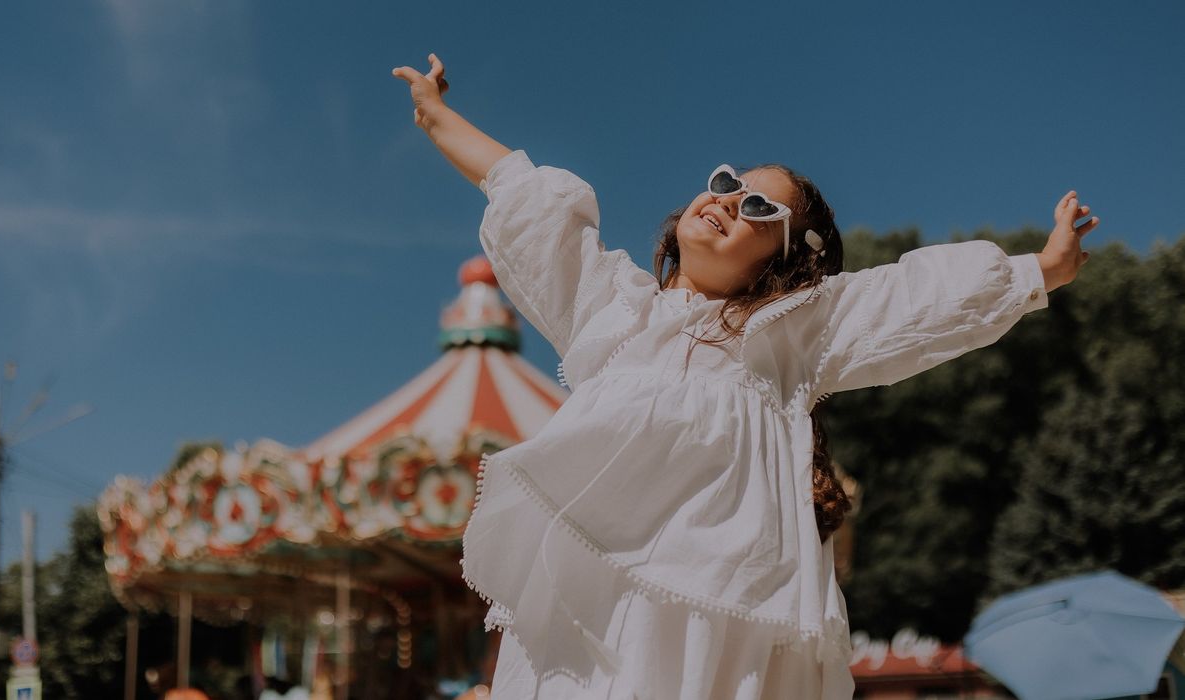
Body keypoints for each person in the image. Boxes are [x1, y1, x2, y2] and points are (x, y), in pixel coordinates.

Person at [392, 54, 1097, 699]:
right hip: (605, 605)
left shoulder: (791, 337)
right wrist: (437, 114)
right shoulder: (611, 311)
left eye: (759, 207)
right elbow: (524, 196)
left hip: (727, 607)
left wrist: (1042, 269)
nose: (729, 200)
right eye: (726, 184)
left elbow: (914, 297)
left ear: (786, 259)